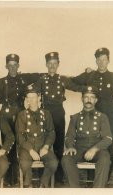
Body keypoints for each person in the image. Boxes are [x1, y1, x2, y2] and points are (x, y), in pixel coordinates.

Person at [71, 47, 113, 178]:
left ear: (108, 61)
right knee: (92, 142)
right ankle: (92, 176)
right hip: (94, 112)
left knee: (109, 143)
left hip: (112, 113)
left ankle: (105, 177)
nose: (102, 62)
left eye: (104, 59)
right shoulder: (90, 75)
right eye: (99, 60)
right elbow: (73, 81)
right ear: (96, 61)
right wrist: (84, 80)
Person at [33, 51, 85, 183]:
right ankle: (43, 174)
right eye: (49, 63)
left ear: (58, 64)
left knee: (59, 144)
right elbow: (32, 92)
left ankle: (59, 175)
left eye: (54, 63)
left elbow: (77, 87)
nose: (52, 66)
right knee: (43, 143)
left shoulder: (62, 79)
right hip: (45, 115)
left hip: (58, 115)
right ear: (46, 64)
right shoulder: (42, 80)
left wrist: (90, 85)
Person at [0, 53, 41, 186]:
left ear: (18, 66)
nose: (12, 68)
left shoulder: (24, 79)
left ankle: (24, 175)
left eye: (15, 65)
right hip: (6, 115)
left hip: (21, 115)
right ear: (6, 66)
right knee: (9, 145)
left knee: (23, 143)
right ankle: (10, 178)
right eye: (10, 65)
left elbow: (40, 75)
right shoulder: (1, 82)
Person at [61, 86, 112, 188]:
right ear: (82, 99)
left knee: (105, 159)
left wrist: (94, 149)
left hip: (98, 150)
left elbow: (108, 138)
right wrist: (70, 146)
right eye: (86, 97)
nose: (89, 100)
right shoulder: (75, 117)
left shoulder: (102, 117)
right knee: (66, 159)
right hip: (79, 148)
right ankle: (76, 190)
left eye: (92, 97)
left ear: (96, 100)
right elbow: (69, 136)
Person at [16, 85, 58, 188]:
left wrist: (46, 146)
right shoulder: (22, 115)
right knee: (25, 164)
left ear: (39, 98)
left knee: (53, 163)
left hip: (42, 146)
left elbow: (51, 132)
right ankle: (28, 183)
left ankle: (43, 182)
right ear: (26, 99)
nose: (31, 100)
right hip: (27, 148)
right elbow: (20, 136)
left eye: (33, 97)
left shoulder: (46, 114)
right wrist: (30, 150)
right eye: (28, 97)